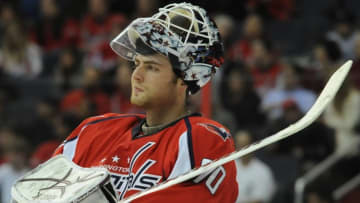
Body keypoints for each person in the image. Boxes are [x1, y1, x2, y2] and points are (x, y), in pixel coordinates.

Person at [53, 2, 239, 202]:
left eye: (151, 67)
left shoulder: (202, 139)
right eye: (136, 64)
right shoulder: (93, 131)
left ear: (184, 79)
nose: (137, 75)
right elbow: (40, 192)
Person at [234, 130, 276, 203]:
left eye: (245, 145)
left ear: (252, 145)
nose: (242, 149)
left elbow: (259, 200)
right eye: (240, 145)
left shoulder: (263, 171)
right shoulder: (229, 167)